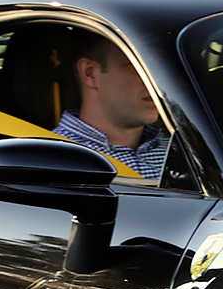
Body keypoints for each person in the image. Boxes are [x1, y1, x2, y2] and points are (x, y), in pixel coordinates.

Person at [55, 33, 172, 181]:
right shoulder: (55, 159)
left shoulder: (185, 148)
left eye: (160, 69)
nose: (157, 81)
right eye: (139, 67)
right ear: (90, 73)